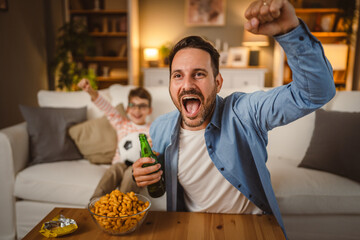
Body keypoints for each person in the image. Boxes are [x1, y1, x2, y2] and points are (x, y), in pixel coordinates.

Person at [132, 0, 336, 238]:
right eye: (178, 75)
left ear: (218, 83)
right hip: (191, 228)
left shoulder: (245, 112)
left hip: (250, 229)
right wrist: (143, 176)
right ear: (170, 84)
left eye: (199, 74)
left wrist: (289, 31)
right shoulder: (160, 128)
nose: (187, 84)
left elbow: (316, 92)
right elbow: (161, 182)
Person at [77, 78, 153, 199]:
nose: (137, 110)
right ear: (127, 109)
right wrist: (91, 91)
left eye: (142, 106)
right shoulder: (122, 124)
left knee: (131, 174)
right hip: (119, 164)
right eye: (133, 105)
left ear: (150, 110)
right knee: (114, 170)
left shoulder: (153, 129)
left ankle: (123, 206)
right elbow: (107, 108)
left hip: (137, 167)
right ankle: (95, 202)